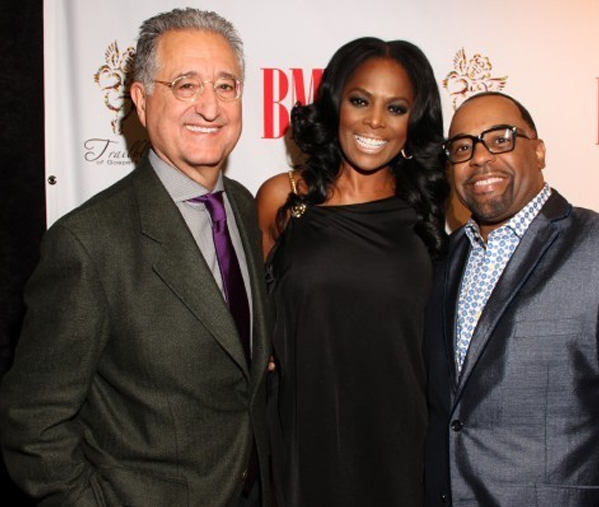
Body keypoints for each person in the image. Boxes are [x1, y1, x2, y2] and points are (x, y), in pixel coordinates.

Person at [0, 8, 273, 507]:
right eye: (186, 85)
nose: (210, 107)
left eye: (226, 86)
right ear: (142, 102)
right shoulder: (88, 242)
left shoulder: (241, 203)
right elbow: (33, 424)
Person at [424, 91, 599, 506]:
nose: (480, 158)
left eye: (501, 138)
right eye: (463, 147)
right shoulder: (445, 259)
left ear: (538, 151)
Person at [256, 37, 449, 507]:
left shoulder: (433, 209)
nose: (375, 122)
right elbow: (253, 321)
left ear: (414, 122)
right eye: (360, 101)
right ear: (335, 104)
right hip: (306, 437)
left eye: (397, 108)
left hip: (403, 442)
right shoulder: (282, 200)